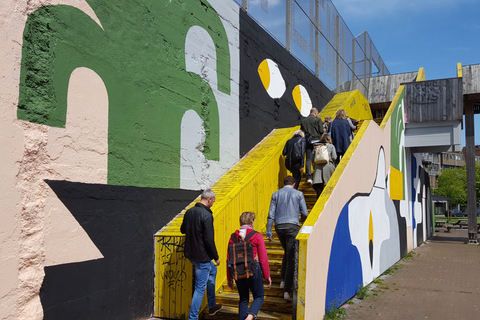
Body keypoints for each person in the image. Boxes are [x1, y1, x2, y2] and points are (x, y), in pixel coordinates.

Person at [180, 189, 222, 319]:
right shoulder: (207, 215)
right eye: (213, 201)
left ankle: (212, 306)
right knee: (199, 288)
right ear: (209, 199)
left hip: (191, 254)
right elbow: (209, 239)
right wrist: (216, 256)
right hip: (202, 256)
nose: (213, 204)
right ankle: (192, 318)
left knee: (213, 270)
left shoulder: (189, 212)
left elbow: (182, 230)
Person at [266, 176, 308, 301]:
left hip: (279, 227)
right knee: (291, 257)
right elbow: (305, 213)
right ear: (294, 184)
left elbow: (270, 215)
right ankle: (286, 290)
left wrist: (269, 231)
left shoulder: (276, 194)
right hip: (292, 226)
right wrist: (303, 223)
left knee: (287, 252)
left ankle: (283, 280)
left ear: (284, 183)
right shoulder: (299, 194)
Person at [227, 212, 272, 320]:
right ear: (252, 222)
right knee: (259, 296)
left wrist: (229, 278)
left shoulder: (233, 237)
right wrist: (267, 276)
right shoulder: (256, 235)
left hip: (237, 271)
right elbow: (263, 258)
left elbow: (229, 259)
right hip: (252, 270)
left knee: (243, 299)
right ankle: (250, 317)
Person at [300, 107, 324, 184]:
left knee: (308, 159)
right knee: (318, 158)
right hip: (317, 141)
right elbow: (321, 131)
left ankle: (309, 177)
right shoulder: (318, 119)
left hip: (308, 142)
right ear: (316, 113)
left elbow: (302, 132)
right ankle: (317, 175)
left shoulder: (303, 121)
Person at [312, 133, 337, 198]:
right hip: (328, 166)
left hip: (318, 168)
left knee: (318, 188)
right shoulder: (331, 146)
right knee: (331, 185)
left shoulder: (316, 146)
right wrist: (331, 160)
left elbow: (312, 158)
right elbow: (334, 157)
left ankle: (319, 201)